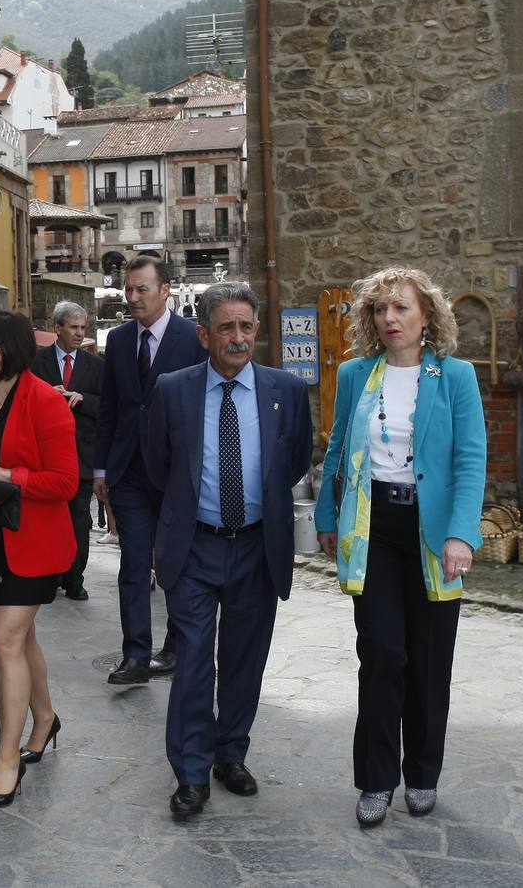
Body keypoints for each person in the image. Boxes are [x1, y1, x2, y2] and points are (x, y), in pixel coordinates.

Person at [315, 267, 486, 828]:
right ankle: (376, 780)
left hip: (434, 533)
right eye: (380, 310)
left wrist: (462, 533)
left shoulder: (455, 376)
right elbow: (337, 448)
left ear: (426, 316)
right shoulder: (354, 375)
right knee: (383, 654)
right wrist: (324, 518)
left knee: (430, 661)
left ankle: (422, 774)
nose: (390, 319)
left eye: (401, 308)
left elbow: (470, 459)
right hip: (375, 527)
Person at [144, 282, 313, 818]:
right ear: (204, 335)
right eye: (226, 328)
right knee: (194, 659)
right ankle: (191, 774)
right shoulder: (173, 389)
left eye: (246, 327)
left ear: (257, 330)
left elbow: (292, 463)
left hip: (256, 548)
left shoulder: (286, 390)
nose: (238, 338)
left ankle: (230, 754)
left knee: (244, 658)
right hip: (194, 546)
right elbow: (157, 466)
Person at [0, 311, 79, 809]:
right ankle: (44, 718)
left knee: (4, 639)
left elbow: (66, 483)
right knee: (22, 636)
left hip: (36, 544)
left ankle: (7, 760)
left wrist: (4, 471)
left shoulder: (47, 402)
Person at [94, 255, 207, 685]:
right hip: (129, 473)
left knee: (176, 562)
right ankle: (136, 656)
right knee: (134, 564)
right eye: (129, 289)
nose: (133, 297)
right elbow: (110, 409)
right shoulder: (120, 340)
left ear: (166, 291)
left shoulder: (192, 338)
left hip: (177, 471)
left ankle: (177, 647)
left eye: (142, 289)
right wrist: (101, 469)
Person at [32, 301, 104, 601]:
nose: (79, 333)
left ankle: (75, 579)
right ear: (57, 328)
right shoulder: (36, 362)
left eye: (82, 328)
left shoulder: (97, 365)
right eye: (73, 327)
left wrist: (82, 398)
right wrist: (50, 396)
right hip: (44, 457)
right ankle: (50, 575)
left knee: (78, 521)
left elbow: (108, 407)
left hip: (82, 455)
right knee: (48, 521)